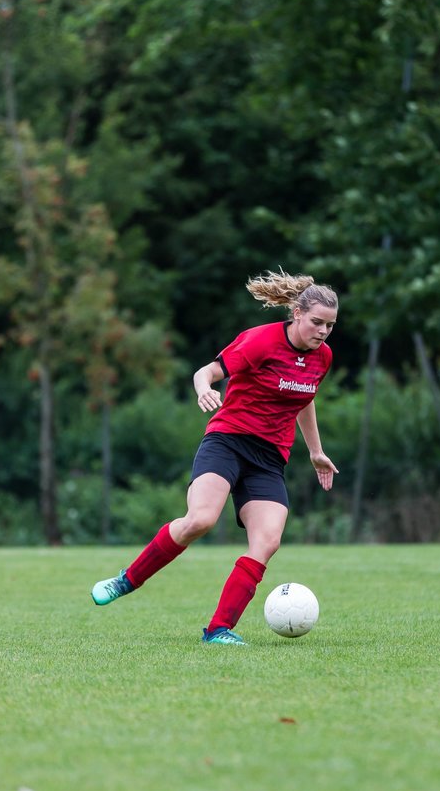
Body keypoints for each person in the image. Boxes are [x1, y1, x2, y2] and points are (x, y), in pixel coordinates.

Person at [90, 270, 340, 644]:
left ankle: (219, 629)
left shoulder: (323, 358)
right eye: (317, 322)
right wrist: (203, 389)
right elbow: (206, 372)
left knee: (267, 541)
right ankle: (127, 580)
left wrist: (316, 451)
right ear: (297, 314)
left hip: (270, 458)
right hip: (228, 441)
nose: (322, 331)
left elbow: (304, 399)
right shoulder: (259, 341)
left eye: (330, 326)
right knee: (201, 520)